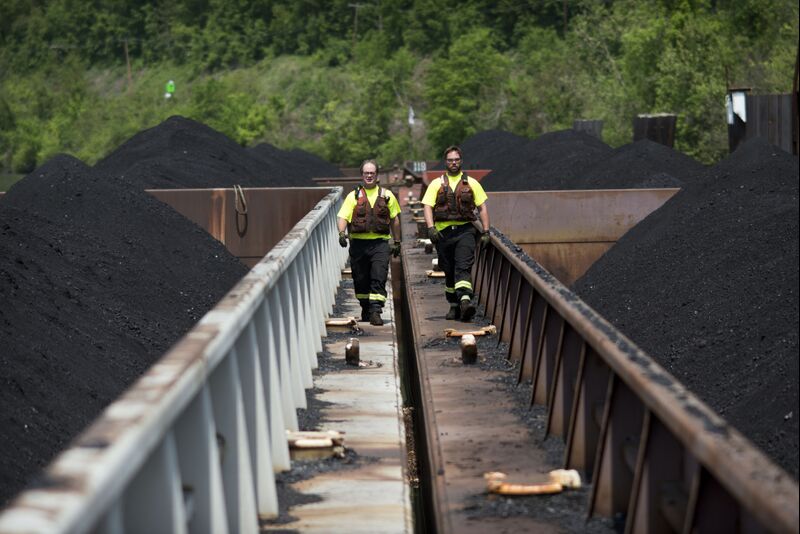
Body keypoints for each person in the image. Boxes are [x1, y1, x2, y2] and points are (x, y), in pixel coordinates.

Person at [422, 146, 490, 321]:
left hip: (465, 231)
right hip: (443, 234)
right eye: (451, 160)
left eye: (457, 160)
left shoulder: (472, 183)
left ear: (461, 161)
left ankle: (465, 301)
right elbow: (428, 207)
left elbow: (482, 208)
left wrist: (486, 231)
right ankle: (453, 305)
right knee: (449, 270)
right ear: (446, 162)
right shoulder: (436, 184)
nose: (454, 163)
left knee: (463, 266)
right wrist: (431, 228)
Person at [337, 160, 402, 326]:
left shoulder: (387, 196)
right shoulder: (354, 196)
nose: (369, 175)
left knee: (378, 276)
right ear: (362, 175)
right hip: (358, 245)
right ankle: (365, 307)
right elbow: (343, 216)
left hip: (380, 244)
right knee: (360, 279)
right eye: (366, 173)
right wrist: (341, 233)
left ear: (377, 175)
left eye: (372, 172)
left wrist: (397, 241)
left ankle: (375, 310)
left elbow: (395, 219)